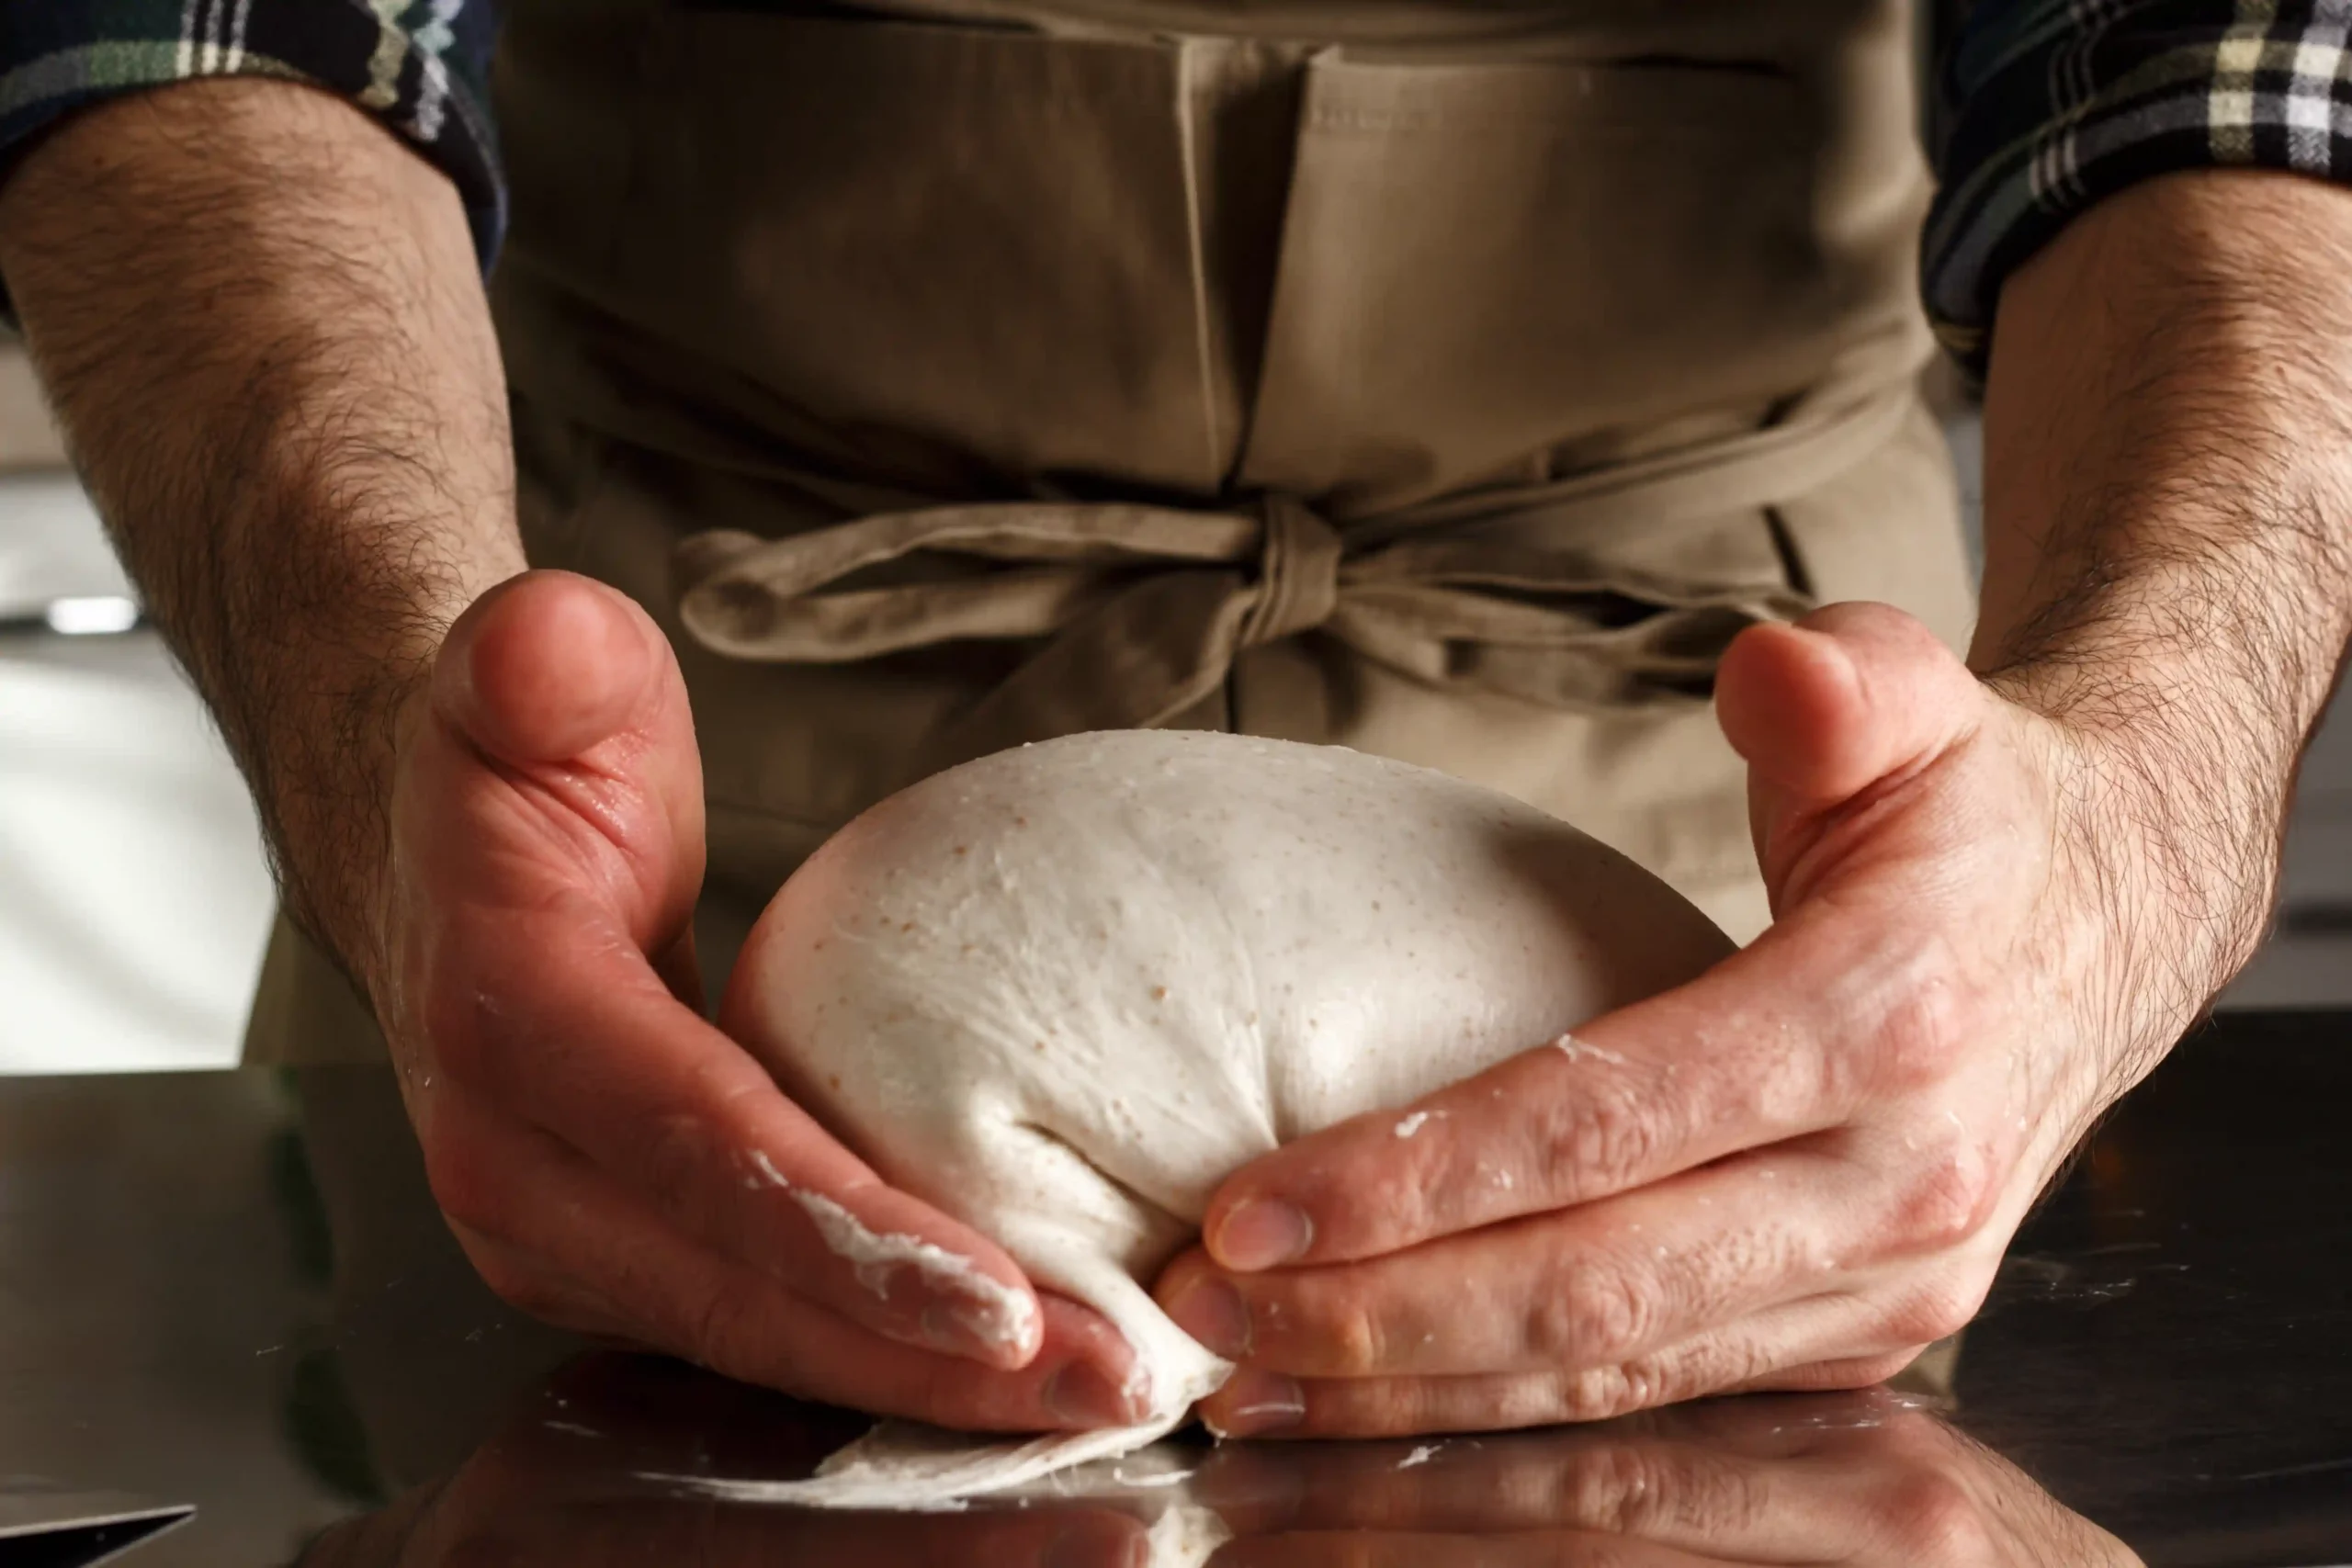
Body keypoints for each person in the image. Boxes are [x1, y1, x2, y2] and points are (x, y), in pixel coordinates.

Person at [0, 0, 2344, 1449]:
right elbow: (210, 25)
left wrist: (2123, 812)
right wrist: (376, 714)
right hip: (637, 820)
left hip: (1722, 823)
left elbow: (2221, 62)